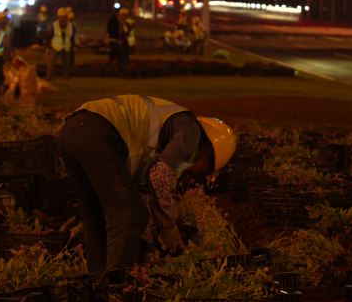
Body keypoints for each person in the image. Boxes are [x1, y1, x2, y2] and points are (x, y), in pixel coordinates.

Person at [58, 95, 236, 273]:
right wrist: (168, 227)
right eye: (206, 171)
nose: (198, 176)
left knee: (97, 219)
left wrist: (153, 233)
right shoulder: (191, 132)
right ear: (208, 153)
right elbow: (160, 176)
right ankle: (115, 287)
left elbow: (145, 188)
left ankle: (97, 288)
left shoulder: (168, 135)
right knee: (131, 213)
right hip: (97, 131)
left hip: (72, 132)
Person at [48, 7, 74, 79]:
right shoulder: (54, 25)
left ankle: (66, 76)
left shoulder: (70, 25)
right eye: (61, 17)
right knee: (52, 63)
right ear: (58, 17)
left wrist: (73, 46)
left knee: (66, 63)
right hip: (56, 46)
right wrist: (47, 46)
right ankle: (49, 76)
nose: (63, 19)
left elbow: (72, 37)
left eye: (64, 17)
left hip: (66, 47)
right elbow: (50, 35)